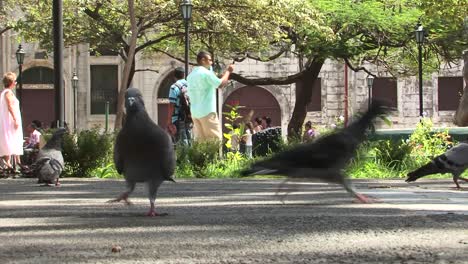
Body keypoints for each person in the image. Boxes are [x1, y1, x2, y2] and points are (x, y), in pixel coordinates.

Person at [186, 51, 234, 142]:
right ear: (203, 60)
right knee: (215, 140)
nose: (211, 62)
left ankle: (201, 157)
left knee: (201, 142)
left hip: (195, 113)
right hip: (207, 111)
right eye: (210, 60)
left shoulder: (190, 76)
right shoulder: (206, 73)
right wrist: (228, 71)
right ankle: (214, 157)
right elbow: (220, 84)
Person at [0, 72, 23, 171]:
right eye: (15, 81)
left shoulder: (5, 92)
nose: (16, 82)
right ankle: (9, 163)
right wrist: (15, 119)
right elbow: (10, 106)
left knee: (9, 139)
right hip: (9, 121)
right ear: (12, 82)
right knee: (10, 138)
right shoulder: (8, 93)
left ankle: (9, 163)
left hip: (8, 120)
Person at [167, 67, 192, 146]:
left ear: (174, 76)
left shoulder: (174, 87)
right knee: (189, 138)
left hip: (177, 117)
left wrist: (169, 121)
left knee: (180, 141)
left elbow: (171, 105)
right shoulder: (190, 85)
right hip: (189, 116)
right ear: (184, 75)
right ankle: (191, 156)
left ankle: (184, 157)